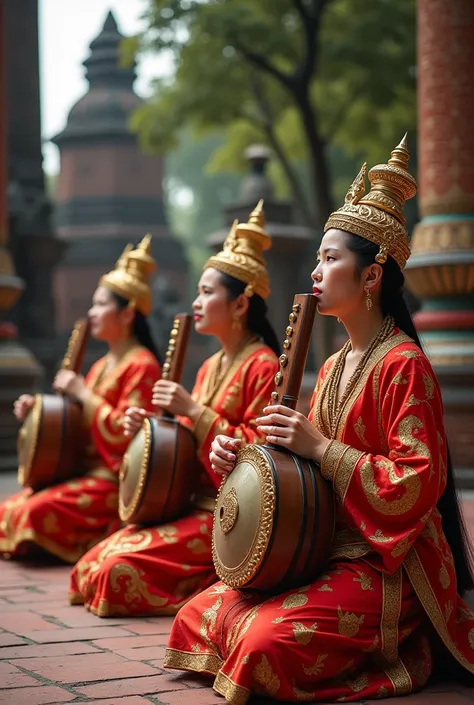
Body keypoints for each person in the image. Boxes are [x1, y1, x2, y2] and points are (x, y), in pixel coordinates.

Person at [164, 137, 474, 703]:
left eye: (332, 259)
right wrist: (240, 458)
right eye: (319, 257)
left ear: (372, 276)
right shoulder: (331, 364)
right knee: (196, 616)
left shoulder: (404, 365)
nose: (317, 270)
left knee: (260, 646)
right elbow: (294, 469)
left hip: (386, 564)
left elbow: (416, 484)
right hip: (318, 545)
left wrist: (323, 449)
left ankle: (409, 646)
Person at [69, 202, 281, 618]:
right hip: (191, 501)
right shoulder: (208, 367)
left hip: (232, 513)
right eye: (198, 292)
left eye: (207, 292)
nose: (196, 303)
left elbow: (265, 455)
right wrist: (149, 427)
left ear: (240, 305)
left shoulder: (265, 366)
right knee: (91, 564)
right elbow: (183, 441)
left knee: (115, 570)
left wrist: (193, 410)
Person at [0, 235, 161, 564]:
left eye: (101, 304)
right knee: (9, 509)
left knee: (33, 512)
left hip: (112, 480)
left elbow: (125, 437)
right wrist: (38, 411)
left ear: (128, 313)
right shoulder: (102, 365)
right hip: (83, 473)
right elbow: (75, 420)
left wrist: (83, 394)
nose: (92, 313)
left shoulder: (143, 365)